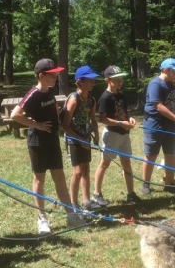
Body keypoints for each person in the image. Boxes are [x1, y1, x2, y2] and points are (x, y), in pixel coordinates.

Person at [11, 59, 85, 234]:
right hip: (37, 142)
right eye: (52, 75)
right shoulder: (33, 94)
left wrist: (58, 124)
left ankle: (71, 216)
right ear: (41, 75)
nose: (56, 77)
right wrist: (37, 125)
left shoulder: (50, 91)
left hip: (52, 140)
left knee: (59, 177)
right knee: (39, 179)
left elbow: (54, 108)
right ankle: (42, 219)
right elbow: (15, 115)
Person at [92, 66, 141, 206]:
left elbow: (125, 112)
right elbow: (103, 119)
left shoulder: (121, 95)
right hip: (112, 134)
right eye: (116, 80)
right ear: (107, 80)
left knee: (127, 162)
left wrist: (130, 119)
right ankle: (96, 193)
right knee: (104, 163)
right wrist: (120, 123)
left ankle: (131, 194)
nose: (120, 82)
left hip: (124, 133)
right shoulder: (105, 97)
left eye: (121, 79)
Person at [141, 58, 175, 195]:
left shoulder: (172, 85)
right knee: (151, 154)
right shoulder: (155, 84)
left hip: (170, 125)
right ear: (166, 70)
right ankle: (146, 183)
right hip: (154, 123)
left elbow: (172, 106)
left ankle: (169, 183)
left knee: (170, 154)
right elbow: (159, 106)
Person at [61, 66, 100, 211]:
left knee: (85, 169)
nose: (92, 83)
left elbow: (93, 120)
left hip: (85, 138)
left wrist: (95, 136)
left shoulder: (91, 100)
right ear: (79, 82)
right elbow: (65, 125)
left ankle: (86, 201)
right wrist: (80, 141)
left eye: (93, 80)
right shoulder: (74, 99)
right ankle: (73, 203)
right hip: (73, 139)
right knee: (77, 171)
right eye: (89, 80)